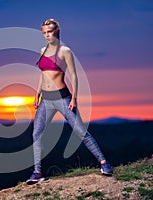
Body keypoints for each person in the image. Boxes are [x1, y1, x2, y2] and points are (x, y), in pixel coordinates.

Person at [26, 19, 112, 184]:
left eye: (49, 32)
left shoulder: (65, 51)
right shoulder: (42, 50)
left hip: (63, 98)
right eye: (44, 32)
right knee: (36, 134)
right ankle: (37, 172)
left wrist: (74, 97)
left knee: (81, 131)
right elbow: (42, 74)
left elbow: (73, 75)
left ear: (56, 31)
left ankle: (104, 162)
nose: (46, 35)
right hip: (46, 100)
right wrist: (37, 94)